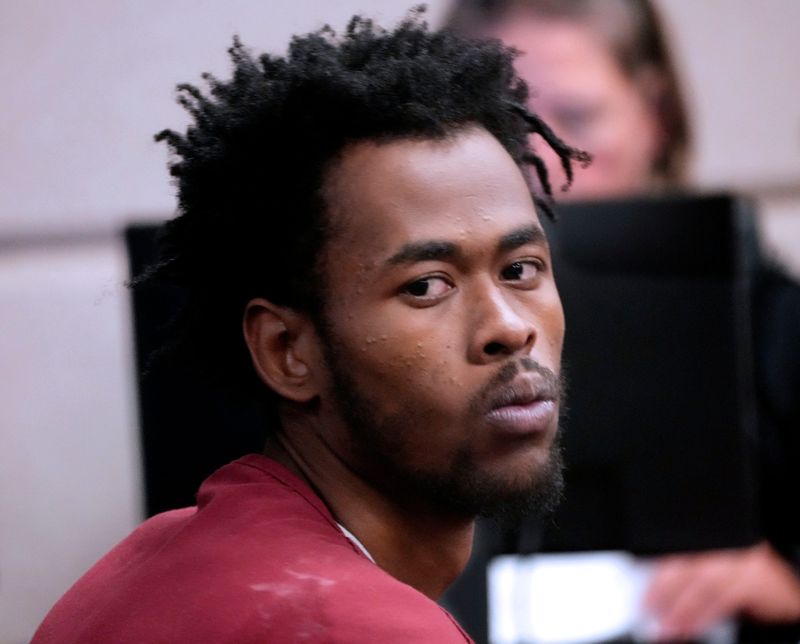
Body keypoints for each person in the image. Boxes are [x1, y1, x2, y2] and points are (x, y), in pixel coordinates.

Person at [31, 11, 590, 643]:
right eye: (426, 285)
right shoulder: (358, 627)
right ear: (287, 350)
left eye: (520, 269)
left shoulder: (157, 554)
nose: (509, 329)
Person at [444, 1, 800, 641]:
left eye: (576, 116)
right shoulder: (384, 335)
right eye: (496, 118)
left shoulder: (776, 326)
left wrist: (787, 587)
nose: (535, 156)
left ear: (654, 116)